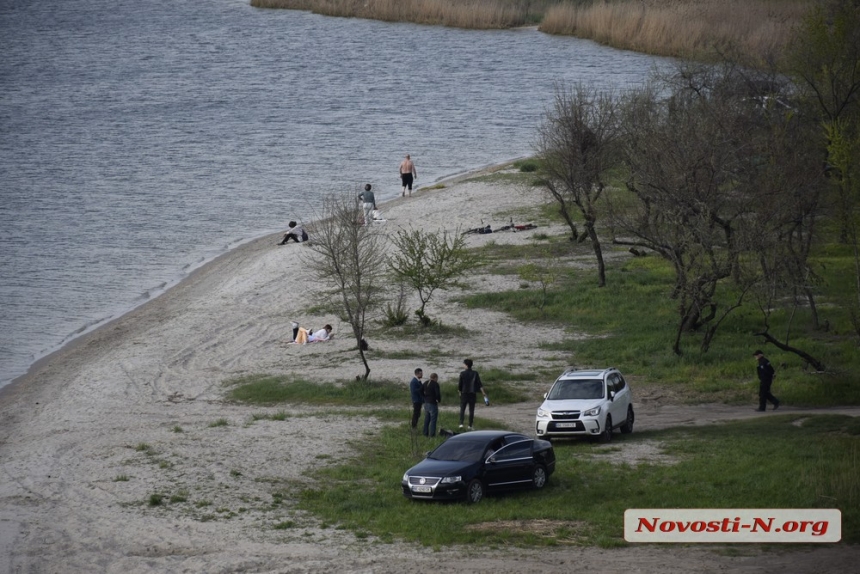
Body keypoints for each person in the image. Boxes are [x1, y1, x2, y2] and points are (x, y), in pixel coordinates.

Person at [458, 358, 487, 430]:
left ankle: (461, 423)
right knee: (471, 410)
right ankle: (470, 425)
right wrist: (483, 393)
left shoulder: (462, 373)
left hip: (464, 393)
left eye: (464, 364)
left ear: (466, 365)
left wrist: (459, 391)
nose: (463, 365)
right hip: (472, 393)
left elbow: (460, 385)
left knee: (462, 409)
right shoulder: (475, 373)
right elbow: (479, 384)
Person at [422, 372, 441, 437]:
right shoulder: (435, 384)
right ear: (435, 378)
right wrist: (438, 400)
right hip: (432, 403)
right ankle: (432, 434)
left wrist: (424, 397)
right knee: (433, 420)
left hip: (426, 403)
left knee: (427, 419)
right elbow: (437, 394)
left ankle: (425, 432)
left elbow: (420, 390)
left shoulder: (425, 383)